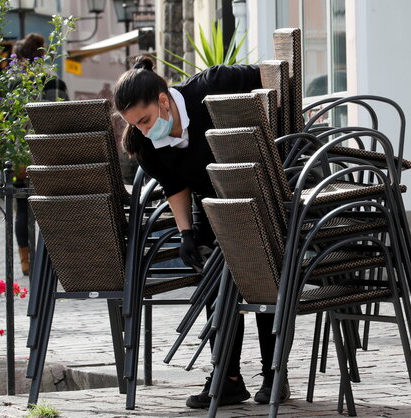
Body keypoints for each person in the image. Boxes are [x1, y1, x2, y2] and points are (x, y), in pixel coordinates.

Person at [114, 56, 290, 408]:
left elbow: (275, 78)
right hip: (213, 207)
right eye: (136, 125)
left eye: (146, 120)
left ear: (164, 100)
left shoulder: (212, 85)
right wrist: (187, 233)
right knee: (214, 280)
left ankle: (275, 374)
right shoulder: (146, 144)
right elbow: (175, 186)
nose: (145, 130)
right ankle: (227, 377)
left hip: (262, 194)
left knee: (261, 277)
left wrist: (274, 135)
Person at [11, 33, 69, 275]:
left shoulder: (11, 85)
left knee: (23, 208)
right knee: (51, 207)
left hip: (18, 157)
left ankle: (26, 261)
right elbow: (64, 120)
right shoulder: (55, 84)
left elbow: (4, 123)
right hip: (48, 155)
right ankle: (52, 260)